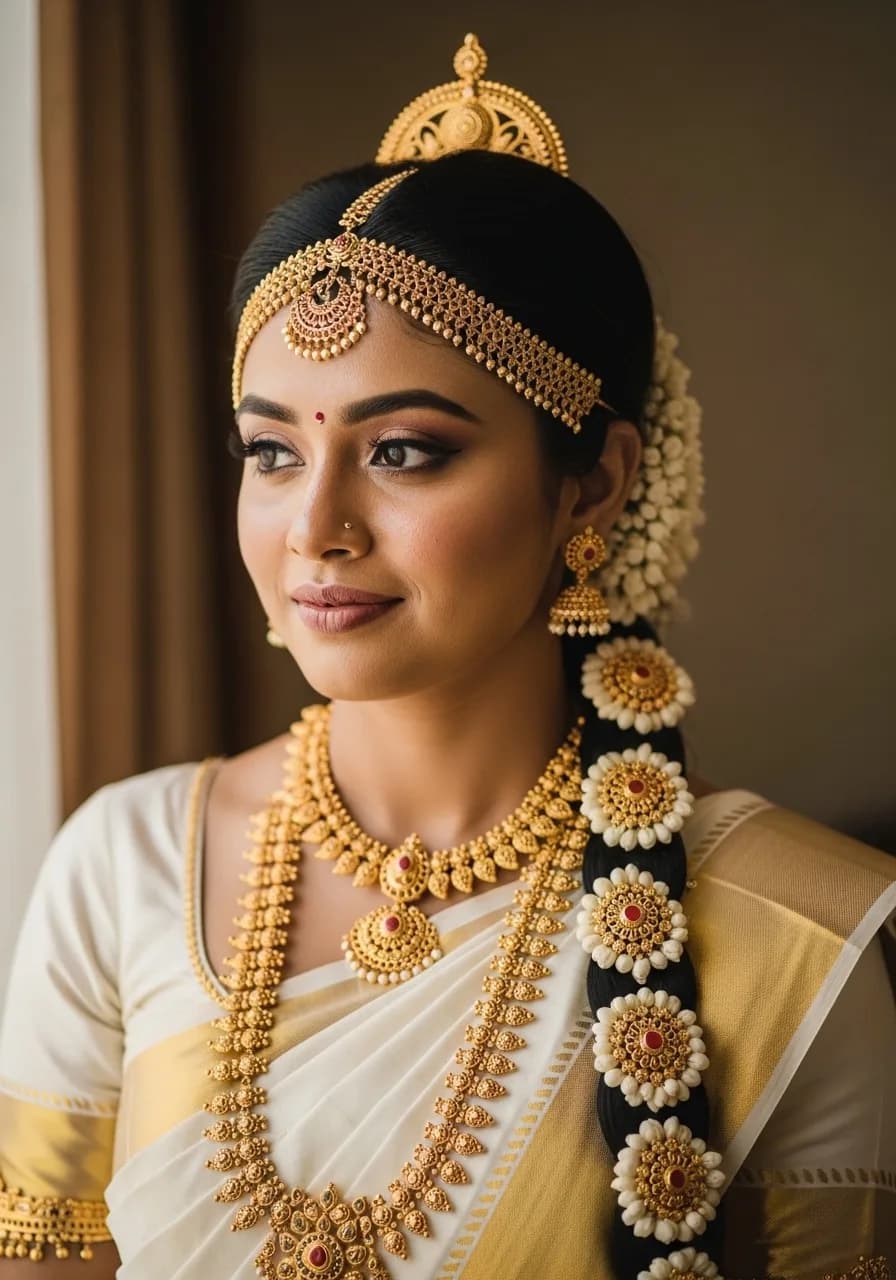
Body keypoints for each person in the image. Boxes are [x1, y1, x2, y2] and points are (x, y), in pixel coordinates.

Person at [1, 34, 893, 1280]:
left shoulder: (789, 932)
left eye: (404, 448)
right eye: (269, 452)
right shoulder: (124, 862)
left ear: (593, 486)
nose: (313, 527)